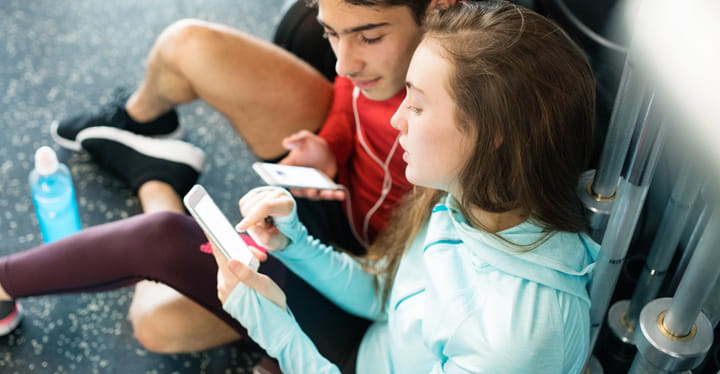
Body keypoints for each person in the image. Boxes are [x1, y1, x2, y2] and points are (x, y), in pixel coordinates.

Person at [0, 0, 454, 362]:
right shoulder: (376, 61)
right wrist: (330, 147)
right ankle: (142, 126)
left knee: (157, 322)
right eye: (331, 33)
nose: (344, 63)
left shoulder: (473, 122)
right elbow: (349, 97)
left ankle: (155, 176)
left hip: (375, 287)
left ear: (439, 7)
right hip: (331, 202)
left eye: (369, 35)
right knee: (188, 43)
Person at [213, 1, 600, 372]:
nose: (396, 119)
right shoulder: (458, 198)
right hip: (376, 345)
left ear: (492, 132)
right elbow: (384, 294)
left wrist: (278, 335)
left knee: (182, 262)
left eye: (416, 105)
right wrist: (292, 242)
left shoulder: (517, 343)